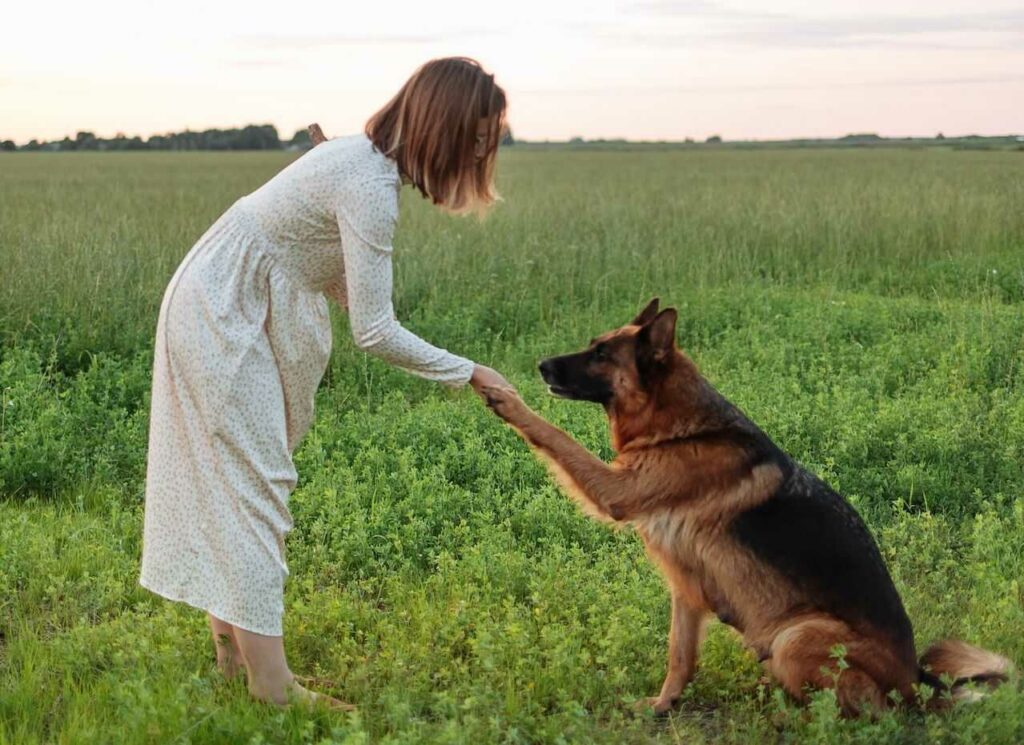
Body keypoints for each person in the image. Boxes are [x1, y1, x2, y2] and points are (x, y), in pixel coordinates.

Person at [139, 57, 511, 709]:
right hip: (221, 308)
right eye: (479, 138)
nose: (484, 152)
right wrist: (471, 372)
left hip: (226, 298)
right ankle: (272, 686)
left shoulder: (362, 164)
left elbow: (320, 267)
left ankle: (234, 661)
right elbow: (375, 330)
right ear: (445, 126)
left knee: (239, 483)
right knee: (256, 488)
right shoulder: (367, 184)